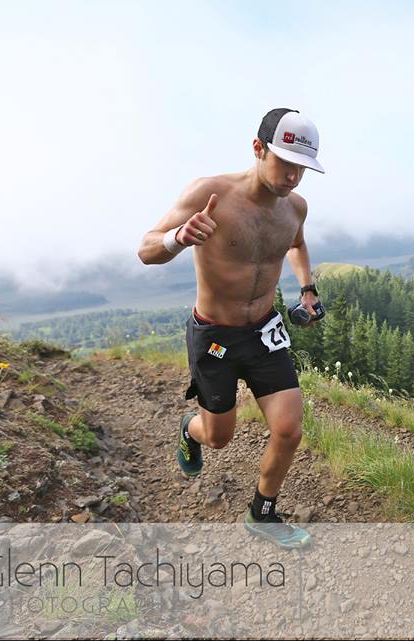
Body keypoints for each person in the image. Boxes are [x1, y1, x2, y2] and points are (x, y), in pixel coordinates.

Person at [138, 108, 326, 549]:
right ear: (258, 149)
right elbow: (146, 250)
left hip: (264, 332)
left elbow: (295, 242)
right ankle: (192, 428)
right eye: (285, 163)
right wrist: (178, 238)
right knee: (219, 437)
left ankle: (262, 512)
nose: (294, 177)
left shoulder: (295, 207)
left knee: (289, 428)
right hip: (215, 336)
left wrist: (308, 289)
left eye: (303, 168)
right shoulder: (211, 194)